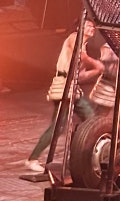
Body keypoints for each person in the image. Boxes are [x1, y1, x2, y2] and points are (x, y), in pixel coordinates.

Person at [24, 19, 102, 173]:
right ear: (80, 27)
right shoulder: (74, 37)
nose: (92, 28)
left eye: (93, 26)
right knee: (58, 127)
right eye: (88, 25)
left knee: (90, 120)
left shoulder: (83, 45)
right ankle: (32, 159)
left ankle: (78, 157)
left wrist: (97, 71)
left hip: (72, 88)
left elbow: (80, 76)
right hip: (63, 88)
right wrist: (96, 64)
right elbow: (83, 57)